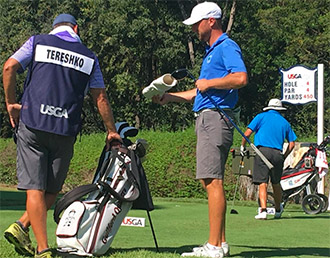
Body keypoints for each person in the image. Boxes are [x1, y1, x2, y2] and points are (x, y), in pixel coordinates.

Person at [3, 14, 121, 258]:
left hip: (33, 124)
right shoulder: (89, 57)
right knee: (52, 190)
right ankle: (41, 247)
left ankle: (26, 229)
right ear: (76, 28)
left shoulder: (37, 42)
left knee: (35, 189)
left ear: (54, 28)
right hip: (65, 130)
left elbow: (9, 66)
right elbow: (100, 97)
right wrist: (111, 130)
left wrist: (11, 103)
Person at [152, 2, 247, 257]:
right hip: (210, 117)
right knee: (213, 180)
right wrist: (169, 97)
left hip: (215, 119)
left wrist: (210, 82)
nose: (194, 28)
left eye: (197, 23)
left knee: (211, 180)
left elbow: (240, 78)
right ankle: (221, 243)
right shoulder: (210, 52)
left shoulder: (225, 46)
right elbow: (199, 92)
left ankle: (214, 246)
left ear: (211, 21)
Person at [241, 98, 296, 220]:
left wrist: (242, 146)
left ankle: (263, 211)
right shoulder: (285, 122)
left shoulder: (261, 117)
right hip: (277, 154)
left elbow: (247, 134)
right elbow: (292, 144)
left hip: (262, 152)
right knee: (276, 183)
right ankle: (277, 210)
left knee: (263, 183)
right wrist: (284, 156)